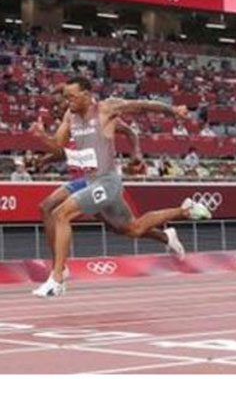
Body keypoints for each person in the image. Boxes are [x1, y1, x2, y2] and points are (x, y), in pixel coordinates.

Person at [29, 76, 212, 298]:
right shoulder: (70, 116)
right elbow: (58, 147)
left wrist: (173, 110)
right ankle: (184, 211)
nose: (68, 102)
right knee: (131, 228)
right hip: (89, 181)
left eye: (71, 97)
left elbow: (143, 105)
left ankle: (57, 279)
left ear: (86, 95)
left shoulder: (106, 109)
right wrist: (41, 137)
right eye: (65, 98)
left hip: (107, 181)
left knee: (61, 214)